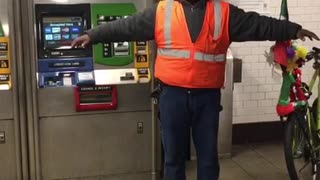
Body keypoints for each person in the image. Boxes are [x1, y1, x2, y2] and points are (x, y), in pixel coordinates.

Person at [71, 0, 319, 179]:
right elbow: (126, 26)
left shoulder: (223, 12)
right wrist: (93, 35)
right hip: (172, 97)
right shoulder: (162, 10)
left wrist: (292, 29)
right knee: (173, 160)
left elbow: (258, 25)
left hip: (207, 99)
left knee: (208, 160)